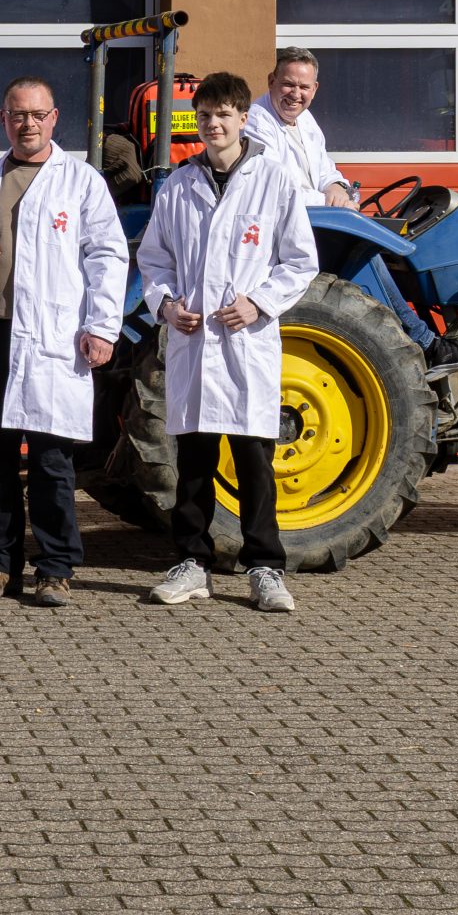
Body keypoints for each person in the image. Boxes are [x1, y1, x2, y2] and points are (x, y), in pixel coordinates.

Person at [137, 70, 319, 615]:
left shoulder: (274, 180)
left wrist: (258, 303)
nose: (213, 124)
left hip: (245, 342)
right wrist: (167, 306)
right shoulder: (178, 186)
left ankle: (265, 568)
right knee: (194, 459)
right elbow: (154, 260)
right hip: (194, 342)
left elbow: (300, 261)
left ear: (243, 117)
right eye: (205, 115)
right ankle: (192, 563)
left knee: (253, 459)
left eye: (223, 114)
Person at [0, 76, 129, 609]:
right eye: (18, 115)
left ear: (54, 118)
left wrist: (102, 327)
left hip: (53, 338)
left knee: (51, 460)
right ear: (4, 120)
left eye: (37, 114)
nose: (28, 124)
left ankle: (55, 569)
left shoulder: (81, 182)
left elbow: (108, 255)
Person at [244, 47, 458, 377]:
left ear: (315, 89)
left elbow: (324, 168)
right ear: (272, 81)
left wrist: (337, 188)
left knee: (373, 249)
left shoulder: (304, 120)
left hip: (311, 219)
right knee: (364, 253)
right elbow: (276, 188)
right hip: (284, 233)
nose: (295, 94)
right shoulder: (258, 123)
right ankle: (426, 345)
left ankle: (422, 341)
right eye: (288, 84)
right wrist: (329, 201)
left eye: (303, 87)